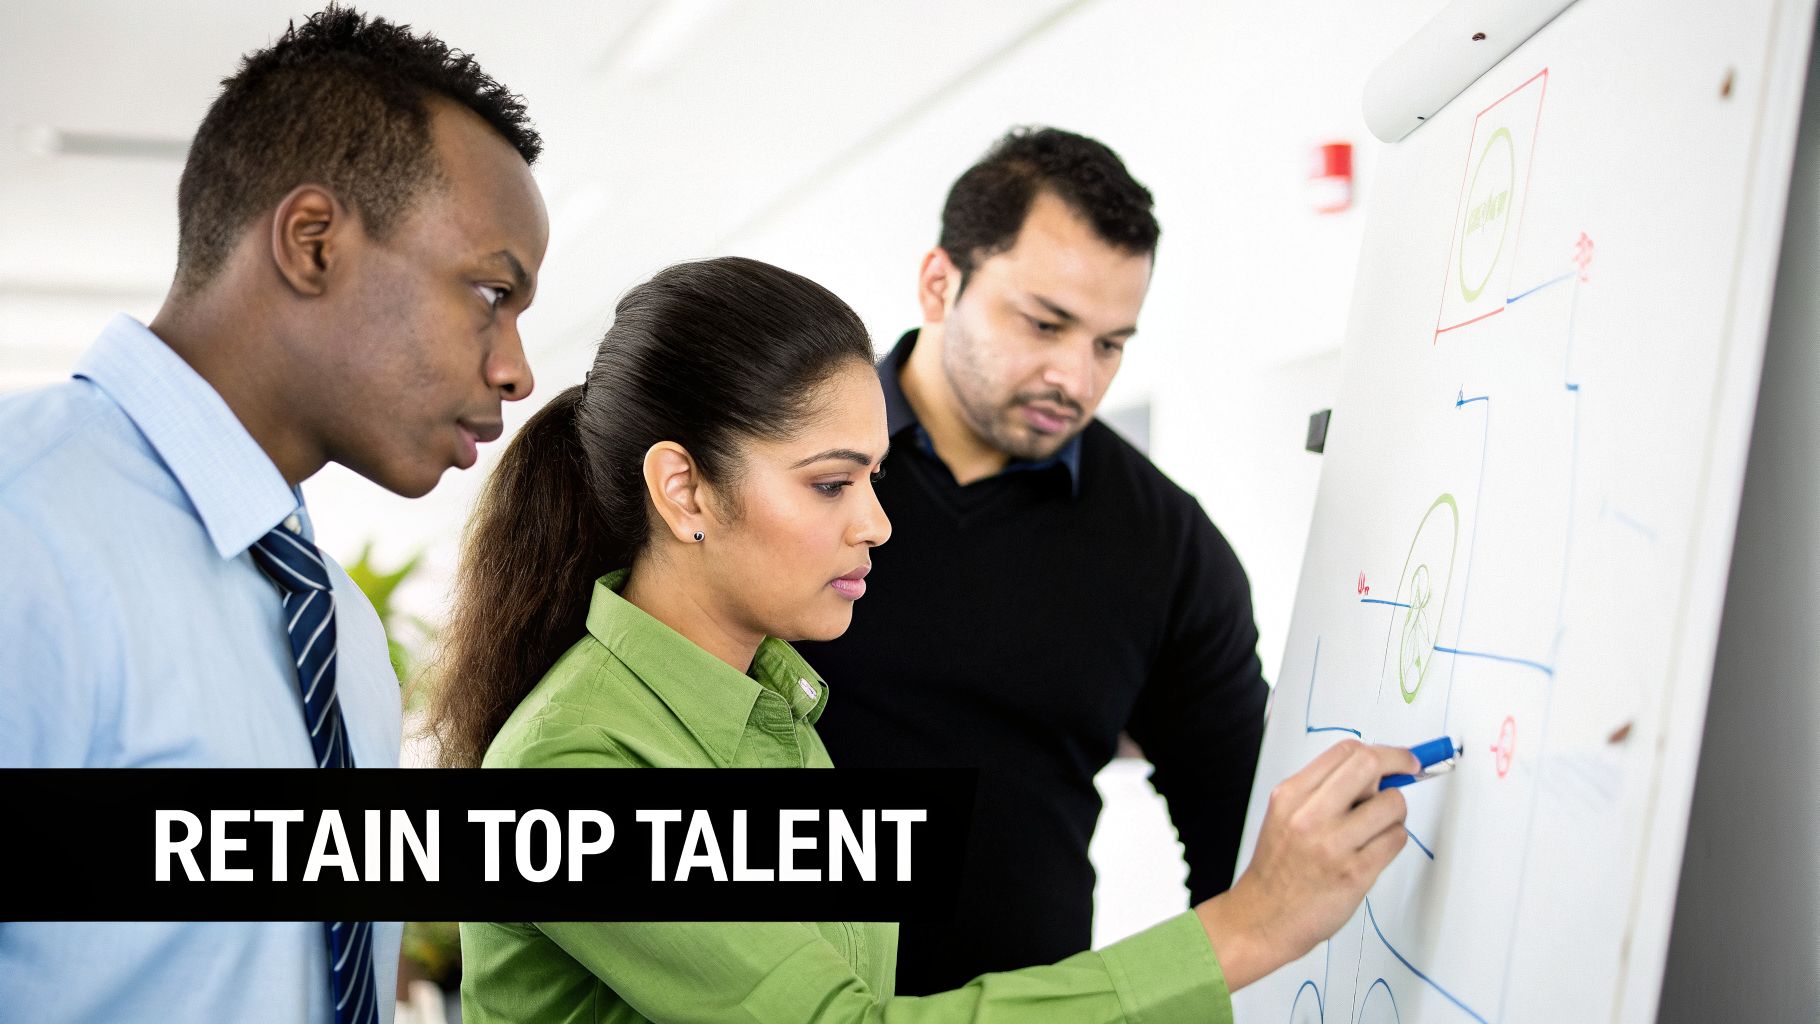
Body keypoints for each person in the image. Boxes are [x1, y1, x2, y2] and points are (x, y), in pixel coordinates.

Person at [428, 256, 1417, 1023]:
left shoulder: (778, 708)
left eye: (871, 476)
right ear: (683, 489)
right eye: (828, 483)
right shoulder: (578, 761)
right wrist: (1244, 928)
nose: (875, 523)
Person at [0, 7, 547, 1023]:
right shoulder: (23, 530)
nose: (514, 367)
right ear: (312, 243)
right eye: (488, 291)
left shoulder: (335, 633)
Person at [794, 125, 1270, 993]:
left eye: (1109, 344)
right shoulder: (785, 466)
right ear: (941, 284)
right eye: (1045, 324)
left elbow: (1240, 847)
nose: (1077, 380)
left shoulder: (1170, 547)